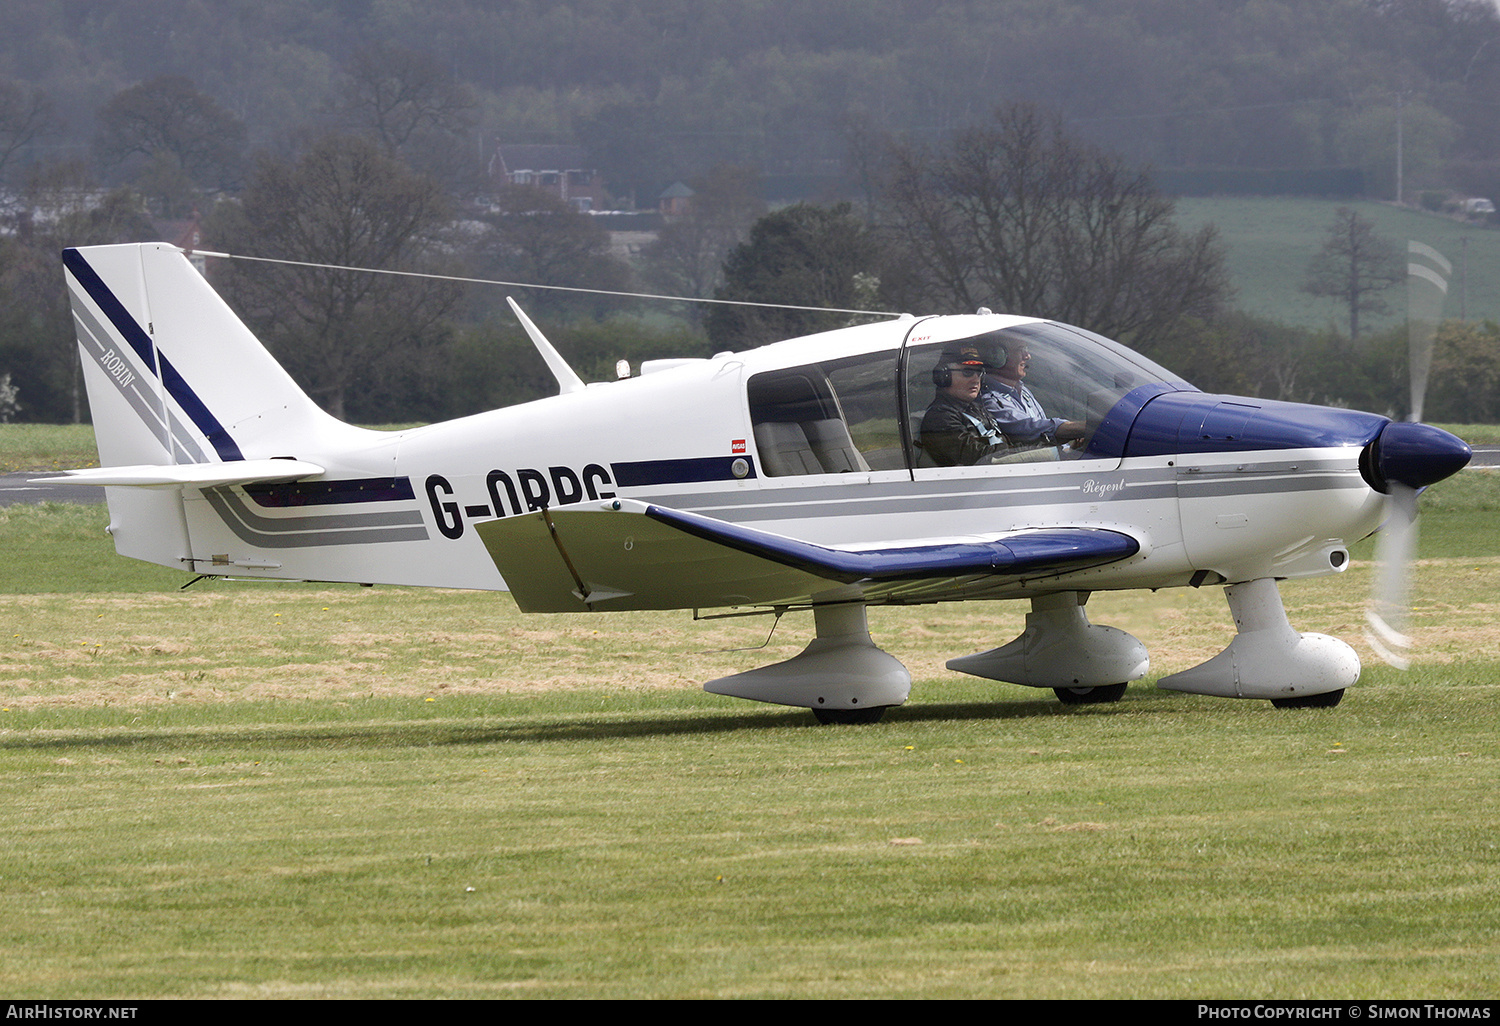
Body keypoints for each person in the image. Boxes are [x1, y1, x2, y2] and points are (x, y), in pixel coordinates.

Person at [977, 341, 1085, 449]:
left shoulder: (1023, 391)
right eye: (1020, 349)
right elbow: (1032, 428)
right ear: (996, 355)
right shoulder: (991, 401)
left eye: (1026, 349)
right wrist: (1083, 428)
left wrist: (1069, 450)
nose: (1027, 356)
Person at [917, 345, 1009, 466]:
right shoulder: (939, 419)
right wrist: (1017, 451)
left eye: (979, 372)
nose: (976, 379)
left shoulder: (975, 408)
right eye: (968, 372)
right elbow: (979, 457)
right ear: (944, 376)